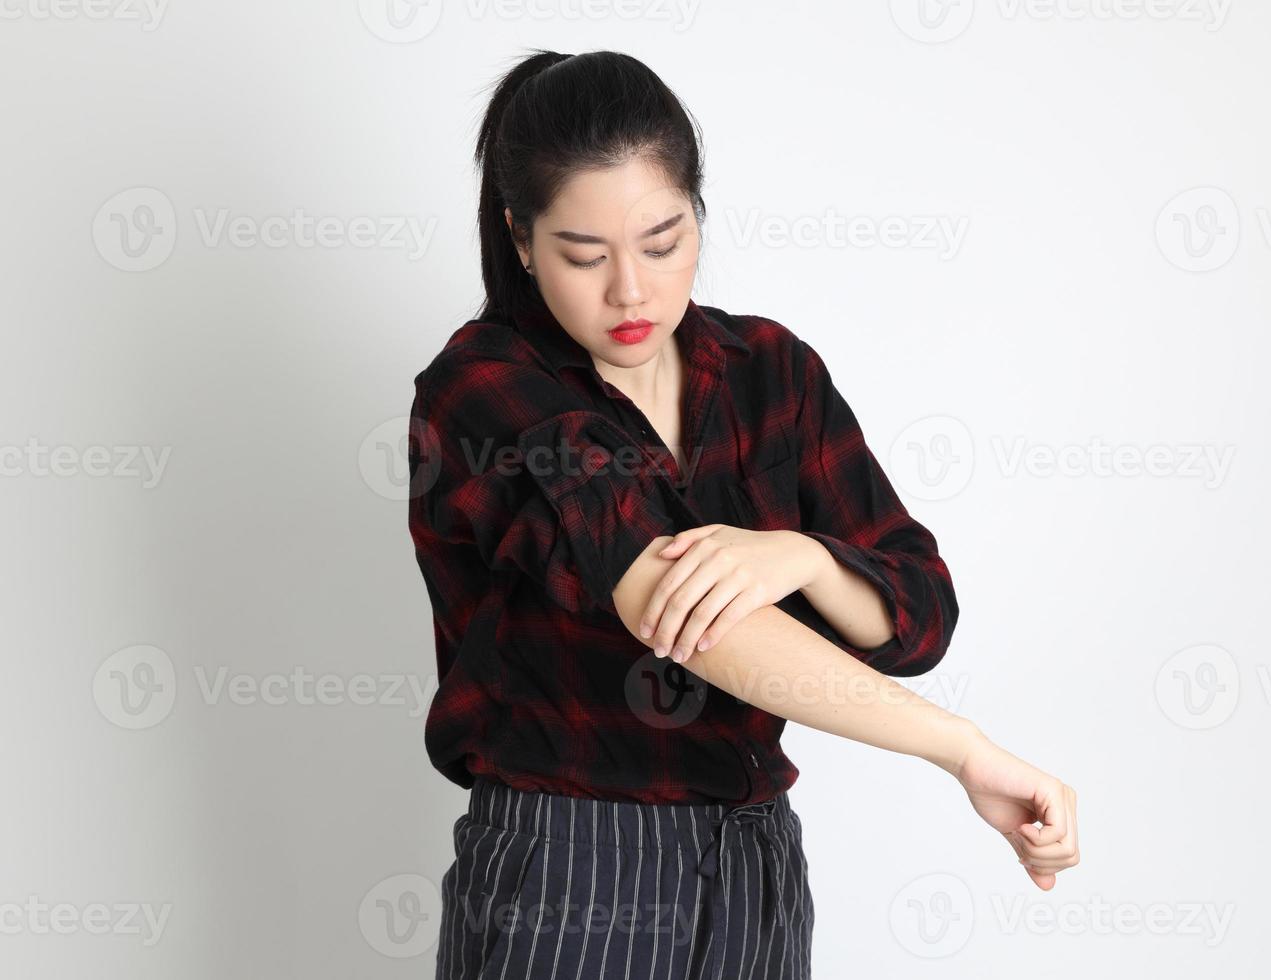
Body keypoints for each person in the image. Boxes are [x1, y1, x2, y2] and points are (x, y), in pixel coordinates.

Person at [407, 48, 1080, 980]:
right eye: (582, 255)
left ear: (699, 216)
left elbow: (917, 613)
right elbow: (677, 610)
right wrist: (960, 749)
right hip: (571, 870)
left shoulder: (771, 371)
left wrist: (801, 556)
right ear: (521, 239)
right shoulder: (485, 389)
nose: (631, 291)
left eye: (662, 241)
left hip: (755, 861)